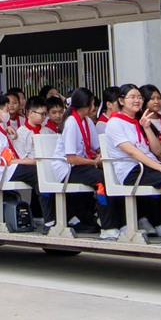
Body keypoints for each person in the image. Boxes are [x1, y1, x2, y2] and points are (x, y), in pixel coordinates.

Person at [99, 85, 161, 239]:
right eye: (132, 97)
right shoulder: (115, 123)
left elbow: (157, 151)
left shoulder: (139, 120)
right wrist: (159, 167)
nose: (137, 100)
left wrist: (147, 128)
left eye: (139, 97)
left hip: (146, 167)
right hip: (132, 171)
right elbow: (132, 151)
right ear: (121, 100)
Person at [0, 94, 45, 231]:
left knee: (39, 172)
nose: (8, 113)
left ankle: (43, 215)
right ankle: (47, 218)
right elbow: (4, 157)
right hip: (2, 169)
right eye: (7, 110)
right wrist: (26, 162)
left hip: (7, 166)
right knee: (39, 175)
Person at [52, 87, 105, 232]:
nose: (94, 108)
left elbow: (97, 147)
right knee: (101, 178)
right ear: (86, 104)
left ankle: (92, 218)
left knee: (109, 172)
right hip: (67, 169)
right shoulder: (71, 123)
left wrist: (101, 156)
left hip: (81, 165)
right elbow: (71, 158)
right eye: (93, 104)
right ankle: (106, 220)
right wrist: (95, 162)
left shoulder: (86, 121)